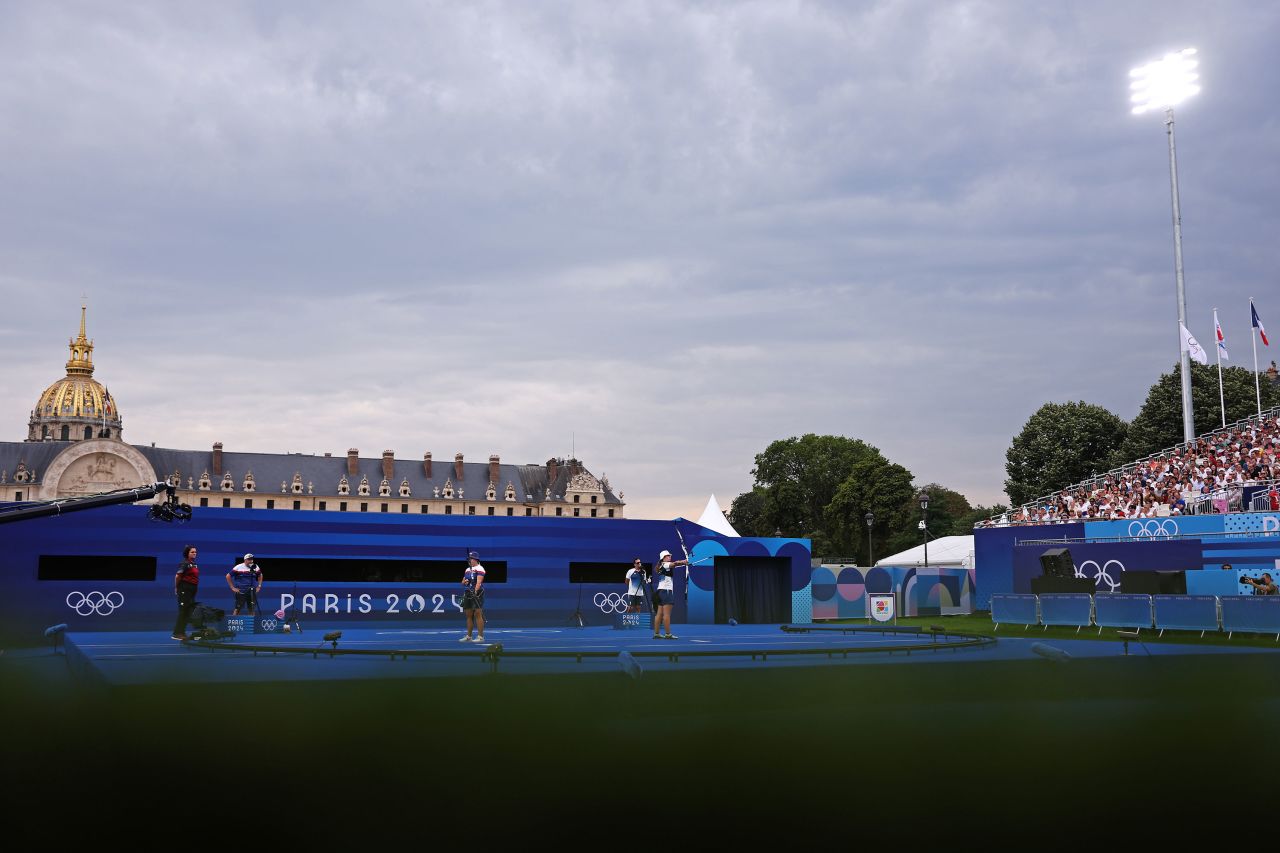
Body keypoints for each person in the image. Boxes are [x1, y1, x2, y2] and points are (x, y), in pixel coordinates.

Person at [652, 549, 687, 640]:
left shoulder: (660, 566)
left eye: (670, 555)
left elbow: (674, 565)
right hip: (666, 592)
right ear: (663, 558)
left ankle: (656, 633)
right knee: (666, 614)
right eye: (668, 556)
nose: (670, 556)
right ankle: (668, 634)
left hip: (659, 592)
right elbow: (674, 564)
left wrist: (683, 563)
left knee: (659, 614)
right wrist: (684, 561)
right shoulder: (666, 564)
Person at [172, 544, 200, 640]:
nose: (194, 553)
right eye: (192, 552)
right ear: (187, 553)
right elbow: (178, 576)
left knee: (188, 611)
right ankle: (177, 633)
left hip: (192, 590)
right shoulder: (184, 563)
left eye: (195, 552)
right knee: (183, 611)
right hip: (184, 589)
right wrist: (176, 587)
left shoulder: (194, 564)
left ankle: (182, 632)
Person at [460, 551, 486, 643]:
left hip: (477, 593)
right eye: (468, 559)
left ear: (475, 559)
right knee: (468, 615)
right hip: (467, 592)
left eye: (470, 559)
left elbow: (479, 582)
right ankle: (469, 636)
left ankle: (480, 636)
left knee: (478, 614)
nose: (469, 560)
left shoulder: (480, 568)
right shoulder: (467, 570)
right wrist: (465, 582)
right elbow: (462, 582)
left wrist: (475, 592)